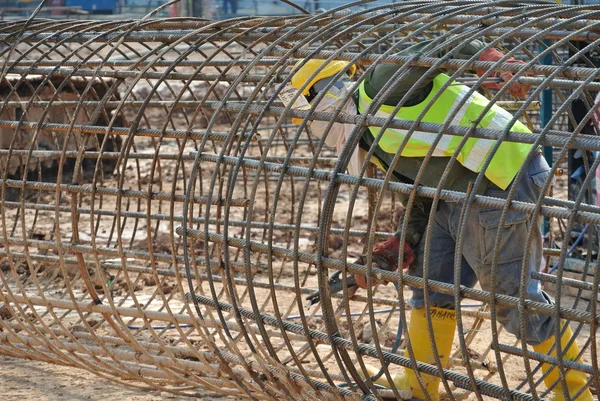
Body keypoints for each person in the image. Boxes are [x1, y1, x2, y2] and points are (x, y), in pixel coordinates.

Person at [290, 38, 593, 401]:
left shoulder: (378, 87)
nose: (312, 127)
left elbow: (431, 41)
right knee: (432, 280)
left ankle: (575, 394)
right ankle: (419, 385)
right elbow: (420, 199)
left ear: (326, 94)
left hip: (500, 177)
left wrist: (486, 56)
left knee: (512, 297)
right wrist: (396, 246)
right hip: (454, 192)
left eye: (310, 115)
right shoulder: (367, 136)